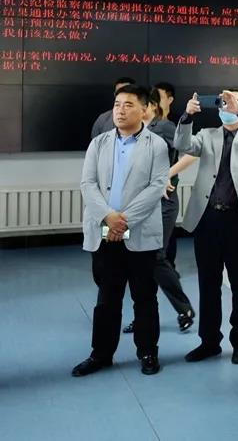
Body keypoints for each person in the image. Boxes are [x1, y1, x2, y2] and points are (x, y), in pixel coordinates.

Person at [73, 84, 169, 377]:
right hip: (105, 230)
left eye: (128, 105)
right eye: (117, 104)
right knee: (107, 297)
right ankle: (101, 354)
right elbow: (88, 184)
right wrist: (108, 217)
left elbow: (157, 186)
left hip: (137, 231)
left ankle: (148, 352)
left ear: (145, 109)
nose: (120, 110)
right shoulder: (99, 143)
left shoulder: (156, 145)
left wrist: (123, 220)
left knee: (144, 296)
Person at [174, 89, 238, 365]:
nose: (228, 105)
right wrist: (187, 116)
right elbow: (182, 144)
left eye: (236, 102)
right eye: (225, 102)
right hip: (207, 218)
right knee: (208, 283)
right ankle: (209, 341)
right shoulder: (207, 135)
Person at [122, 90, 194, 335]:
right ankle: (143, 316)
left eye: (134, 105)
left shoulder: (163, 127)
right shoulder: (134, 133)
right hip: (137, 204)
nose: (128, 110)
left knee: (155, 256)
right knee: (138, 258)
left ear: (151, 106)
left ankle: (184, 308)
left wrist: (166, 175)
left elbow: (191, 154)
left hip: (163, 203)